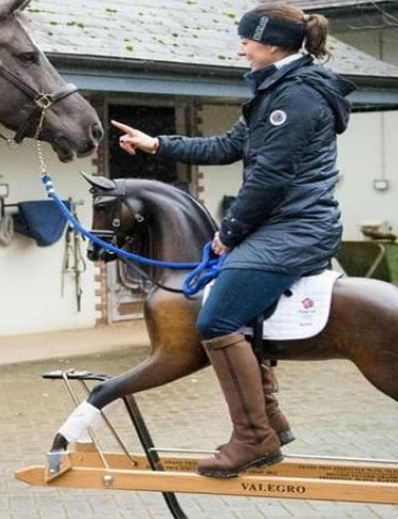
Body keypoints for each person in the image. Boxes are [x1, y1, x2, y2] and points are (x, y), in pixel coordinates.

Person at [112, 2, 355, 478]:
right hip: (280, 225)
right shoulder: (277, 88)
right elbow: (227, 147)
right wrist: (156, 144)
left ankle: (253, 438)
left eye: (246, 39)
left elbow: (270, 178)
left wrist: (228, 233)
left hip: (297, 229)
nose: (241, 47)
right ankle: (272, 420)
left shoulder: (297, 97)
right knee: (233, 310)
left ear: (270, 43)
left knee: (217, 319)